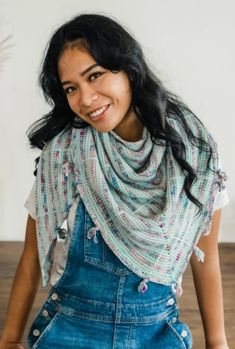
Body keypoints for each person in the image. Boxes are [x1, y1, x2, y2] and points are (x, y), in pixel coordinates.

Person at [0, 13, 230, 349]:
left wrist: (218, 342)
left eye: (95, 76)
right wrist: (8, 340)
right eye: (71, 88)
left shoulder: (193, 153)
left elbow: (205, 258)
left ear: (128, 70)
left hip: (157, 335)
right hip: (69, 331)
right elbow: (32, 256)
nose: (86, 99)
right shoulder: (64, 155)